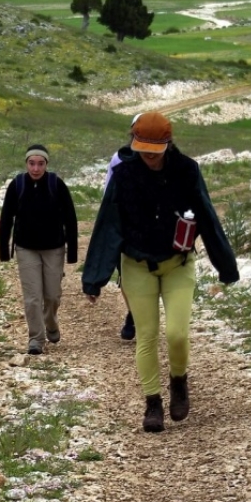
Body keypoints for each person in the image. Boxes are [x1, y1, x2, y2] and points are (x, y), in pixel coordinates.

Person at [82, 112, 239, 433]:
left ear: (168, 145)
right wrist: (94, 279)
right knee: (147, 337)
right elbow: (108, 226)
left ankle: (179, 380)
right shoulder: (123, 176)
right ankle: (152, 403)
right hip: (136, 266)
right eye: (143, 150)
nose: (149, 157)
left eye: (155, 151)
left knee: (177, 334)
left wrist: (225, 266)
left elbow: (208, 217)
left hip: (178, 264)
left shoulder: (187, 171)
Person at [0, 144, 79, 356]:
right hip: (26, 248)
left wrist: (72, 252)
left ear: (46, 164)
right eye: (32, 163)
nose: (36, 168)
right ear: (26, 164)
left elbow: (70, 218)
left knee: (52, 295)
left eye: (40, 164)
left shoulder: (56, 184)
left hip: (54, 247)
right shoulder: (17, 185)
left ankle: (51, 322)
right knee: (32, 296)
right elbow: (7, 217)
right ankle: (36, 337)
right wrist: (4, 250)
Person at [104, 113, 143, 341]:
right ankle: (133, 314)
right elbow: (109, 191)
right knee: (126, 274)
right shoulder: (118, 158)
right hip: (126, 225)